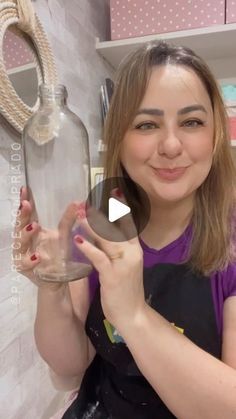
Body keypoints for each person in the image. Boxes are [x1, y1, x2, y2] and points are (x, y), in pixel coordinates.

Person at [14, 41, 236, 419]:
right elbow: (71, 367)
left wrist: (133, 313)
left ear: (216, 136)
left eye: (192, 122)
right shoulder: (101, 221)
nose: (170, 145)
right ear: (120, 137)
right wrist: (53, 288)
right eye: (146, 124)